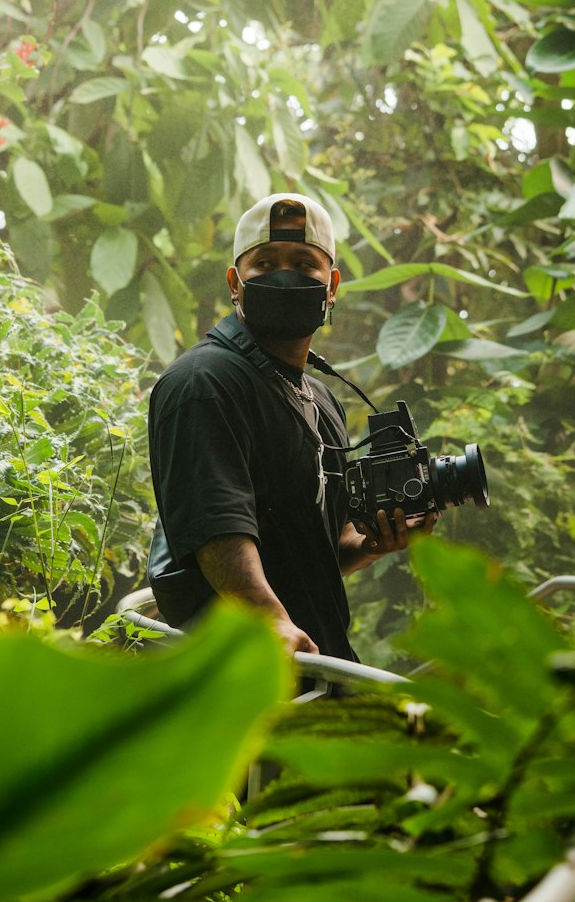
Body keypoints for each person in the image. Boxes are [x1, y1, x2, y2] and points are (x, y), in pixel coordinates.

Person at [147, 192, 436, 658]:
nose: (285, 276)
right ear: (234, 283)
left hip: (318, 655)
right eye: (264, 263)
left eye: (305, 265)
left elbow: (327, 543)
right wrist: (270, 619)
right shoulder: (203, 383)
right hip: (246, 666)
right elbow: (217, 531)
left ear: (332, 286)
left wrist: (371, 544)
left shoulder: (321, 401)